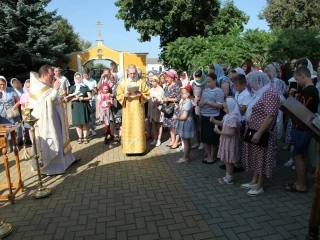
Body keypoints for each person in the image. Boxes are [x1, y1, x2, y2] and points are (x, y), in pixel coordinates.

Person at [29, 65, 76, 176]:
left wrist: (61, 97)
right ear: (44, 75)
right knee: (53, 141)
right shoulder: (37, 87)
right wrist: (54, 90)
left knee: (60, 139)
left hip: (55, 117)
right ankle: (52, 168)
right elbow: (43, 104)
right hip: (45, 123)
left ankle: (65, 162)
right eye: (51, 75)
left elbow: (52, 98)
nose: (53, 77)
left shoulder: (46, 85)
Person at [241, 72, 280, 196]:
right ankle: (254, 180)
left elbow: (271, 115)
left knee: (262, 158)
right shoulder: (260, 92)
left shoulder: (270, 93)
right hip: (254, 129)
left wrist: (259, 132)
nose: (250, 85)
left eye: (252, 82)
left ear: (259, 81)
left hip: (263, 132)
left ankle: (259, 186)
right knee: (256, 156)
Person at [284, 67, 319, 193]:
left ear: (303, 76)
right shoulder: (309, 90)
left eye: (297, 79)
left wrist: (290, 102)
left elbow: (302, 111)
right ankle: (301, 181)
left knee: (297, 155)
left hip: (301, 128)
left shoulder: (309, 91)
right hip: (303, 128)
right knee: (302, 155)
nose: (297, 82)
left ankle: (300, 184)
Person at [116, 64, 150, 154]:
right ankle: (128, 149)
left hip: (138, 110)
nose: (132, 75)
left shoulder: (141, 82)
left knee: (138, 128)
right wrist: (124, 95)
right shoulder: (123, 83)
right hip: (127, 110)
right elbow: (118, 95)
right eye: (130, 73)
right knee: (128, 128)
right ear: (127, 72)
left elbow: (147, 94)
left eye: (134, 73)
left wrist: (141, 95)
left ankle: (140, 149)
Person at [213, 98, 241, 184]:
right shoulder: (227, 116)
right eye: (224, 108)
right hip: (226, 140)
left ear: (231, 107)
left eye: (226, 108)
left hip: (230, 141)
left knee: (229, 160)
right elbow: (222, 123)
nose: (224, 109)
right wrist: (214, 121)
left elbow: (232, 132)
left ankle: (229, 178)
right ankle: (227, 175)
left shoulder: (233, 118)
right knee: (226, 159)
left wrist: (219, 132)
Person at [200, 73, 224, 164]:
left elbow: (220, 106)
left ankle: (212, 156)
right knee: (205, 138)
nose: (208, 84)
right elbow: (202, 101)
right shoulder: (205, 90)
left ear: (215, 80)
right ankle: (208, 155)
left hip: (213, 116)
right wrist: (200, 103)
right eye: (207, 82)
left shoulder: (219, 91)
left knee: (212, 138)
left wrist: (207, 103)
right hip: (204, 115)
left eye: (210, 82)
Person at [69, 73, 92, 144]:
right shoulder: (72, 88)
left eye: (79, 78)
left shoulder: (85, 87)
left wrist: (83, 98)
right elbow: (69, 98)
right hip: (75, 107)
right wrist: (75, 98)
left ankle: (85, 137)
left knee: (84, 122)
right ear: (74, 79)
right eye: (76, 78)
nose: (78, 79)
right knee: (77, 123)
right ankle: (80, 137)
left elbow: (90, 97)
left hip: (83, 106)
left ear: (81, 78)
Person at [174, 85, 195, 163]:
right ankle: (186, 157)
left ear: (188, 94)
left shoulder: (188, 102)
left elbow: (184, 117)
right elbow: (184, 111)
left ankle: (185, 157)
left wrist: (177, 118)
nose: (181, 95)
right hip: (185, 123)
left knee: (186, 141)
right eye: (181, 93)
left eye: (183, 93)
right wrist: (179, 108)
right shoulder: (184, 101)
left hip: (186, 123)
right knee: (186, 140)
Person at [148, 76, 164, 147]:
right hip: (152, 109)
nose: (152, 83)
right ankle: (155, 138)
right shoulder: (151, 90)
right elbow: (149, 99)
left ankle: (159, 139)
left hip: (159, 108)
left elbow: (163, 100)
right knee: (154, 123)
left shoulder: (161, 89)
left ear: (157, 81)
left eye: (154, 81)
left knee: (159, 124)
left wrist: (158, 99)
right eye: (151, 81)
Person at [83, 68, 98, 136]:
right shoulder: (82, 81)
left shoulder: (93, 81)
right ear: (83, 75)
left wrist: (94, 91)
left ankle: (93, 129)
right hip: (84, 101)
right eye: (86, 75)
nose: (87, 76)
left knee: (92, 116)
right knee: (86, 116)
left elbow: (96, 92)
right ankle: (87, 129)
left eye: (88, 75)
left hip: (92, 100)